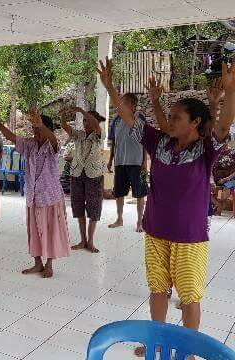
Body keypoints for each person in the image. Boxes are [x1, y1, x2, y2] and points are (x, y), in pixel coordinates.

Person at [99, 59, 235, 357]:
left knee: (188, 296)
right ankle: (156, 340)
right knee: (157, 290)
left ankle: (185, 350)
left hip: (190, 236)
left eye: (176, 117)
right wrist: (110, 87)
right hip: (156, 230)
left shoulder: (206, 149)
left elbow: (223, 125)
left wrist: (230, 90)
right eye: (169, 116)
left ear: (195, 122)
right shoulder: (159, 142)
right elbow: (131, 118)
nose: (169, 121)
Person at [0, 109, 71, 278]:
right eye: (34, 129)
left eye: (38, 129)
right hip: (33, 197)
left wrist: (40, 124)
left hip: (50, 197)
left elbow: (52, 138)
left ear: (48, 129)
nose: (35, 132)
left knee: (50, 230)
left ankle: (49, 264)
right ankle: (37, 263)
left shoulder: (53, 145)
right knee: (34, 231)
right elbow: (12, 137)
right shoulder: (30, 144)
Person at [61, 107, 105, 254]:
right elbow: (65, 127)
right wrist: (63, 116)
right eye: (84, 120)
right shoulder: (79, 135)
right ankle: (83, 240)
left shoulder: (100, 134)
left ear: (95, 122)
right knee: (78, 207)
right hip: (77, 173)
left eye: (89, 120)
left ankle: (90, 241)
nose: (86, 123)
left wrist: (80, 110)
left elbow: (95, 125)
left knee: (94, 208)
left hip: (94, 175)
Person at [107, 93, 149, 232]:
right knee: (119, 192)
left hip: (136, 161)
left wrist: (145, 162)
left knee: (139, 193)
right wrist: (110, 159)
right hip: (120, 161)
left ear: (132, 104)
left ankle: (140, 221)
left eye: (124, 103)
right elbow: (114, 141)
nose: (120, 106)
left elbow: (145, 142)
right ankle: (119, 219)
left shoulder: (139, 118)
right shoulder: (116, 120)